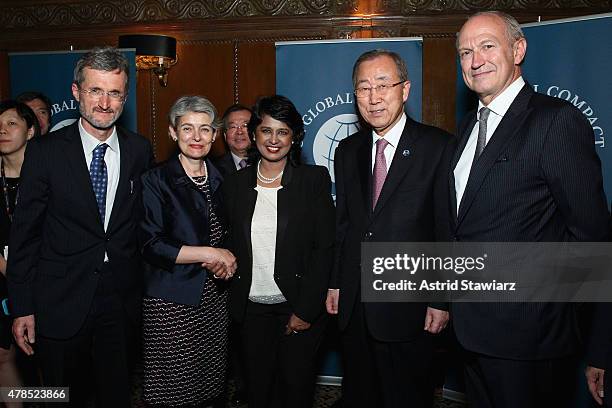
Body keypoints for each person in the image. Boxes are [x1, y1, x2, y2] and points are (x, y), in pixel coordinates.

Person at [451, 11, 609, 407]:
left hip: (530, 340)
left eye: (488, 46)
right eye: (465, 51)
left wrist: (600, 345)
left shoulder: (556, 121)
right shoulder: (469, 126)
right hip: (471, 334)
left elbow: (593, 240)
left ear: (518, 49)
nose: (475, 60)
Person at [7, 47, 153, 407]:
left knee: (115, 394)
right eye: (95, 91)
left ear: (125, 96)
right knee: (60, 396)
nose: (105, 103)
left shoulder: (139, 150)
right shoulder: (45, 152)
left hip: (120, 301)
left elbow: (143, 227)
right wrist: (23, 307)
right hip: (59, 300)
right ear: (76, 93)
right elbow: (25, 235)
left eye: (115, 92)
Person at [325, 49, 453, 408]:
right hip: (355, 303)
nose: (373, 97)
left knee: (407, 397)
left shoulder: (438, 146)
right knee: (359, 396)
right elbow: (345, 224)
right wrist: (337, 281)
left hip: (409, 305)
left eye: (383, 85)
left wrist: (440, 299)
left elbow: (445, 228)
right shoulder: (348, 149)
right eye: (363, 88)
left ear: (405, 89)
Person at [223, 95, 334, 408]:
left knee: (294, 392)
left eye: (282, 132)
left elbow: (324, 248)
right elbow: (226, 242)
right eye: (266, 131)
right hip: (250, 310)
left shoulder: (313, 181)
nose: (273, 140)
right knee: (257, 392)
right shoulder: (234, 184)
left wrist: (305, 311)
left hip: (295, 306)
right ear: (254, 134)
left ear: (294, 137)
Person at [139, 95, 237, 407]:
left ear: (215, 134)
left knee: (208, 383)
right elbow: (151, 245)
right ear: (172, 132)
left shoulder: (225, 178)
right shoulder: (155, 179)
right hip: (171, 298)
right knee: (174, 388)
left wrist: (227, 258)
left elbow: (232, 232)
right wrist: (211, 254)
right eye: (188, 129)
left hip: (215, 296)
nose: (197, 137)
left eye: (205, 129)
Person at [0, 100, 39, 408]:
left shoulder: (48, 176)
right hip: (2, 279)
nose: (3, 130)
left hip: (46, 280)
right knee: (4, 356)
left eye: (12, 123)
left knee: (49, 363)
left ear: (30, 131)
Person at [214, 104, 252, 176]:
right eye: (233, 127)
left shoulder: (269, 164)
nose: (239, 132)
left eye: (245, 126)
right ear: (225, 135)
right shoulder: (213, 169)